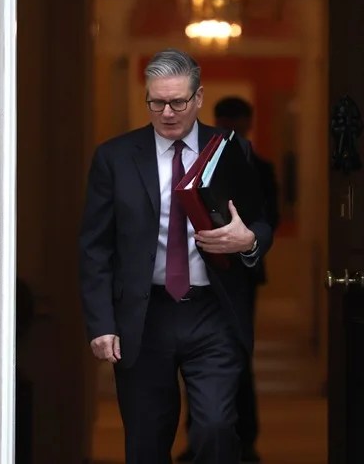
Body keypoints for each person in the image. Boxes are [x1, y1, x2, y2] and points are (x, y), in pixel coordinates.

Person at [79, 48, 274, 464]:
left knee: (216, 427)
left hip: (213, 313)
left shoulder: (230, 151)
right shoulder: (114, 158)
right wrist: (101, 323)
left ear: (199, 97)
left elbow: (260, 222)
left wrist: (249, 242)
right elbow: (96, 246)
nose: (167, 112)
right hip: (144, 317)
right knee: (147, 442)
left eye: (178, 102)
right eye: (156, 102)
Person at [177, 97, 280, 464]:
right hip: (193, 277)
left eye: (239, 121)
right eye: (226, 120)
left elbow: (269, 219)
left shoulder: (259, 165)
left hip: (240, 275)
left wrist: (246, 239)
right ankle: (200, 441)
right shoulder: (196, 165)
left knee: (236, 355)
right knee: (199, 365)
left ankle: (245, 439)